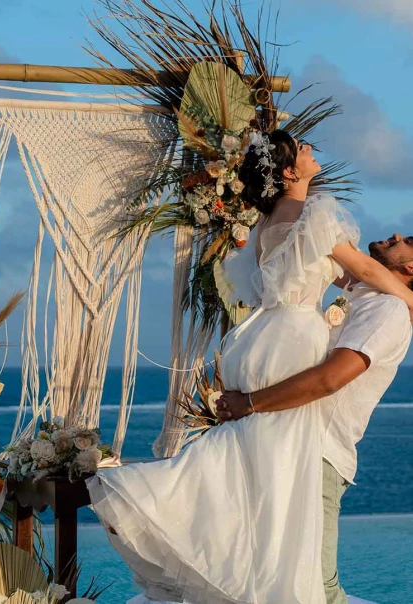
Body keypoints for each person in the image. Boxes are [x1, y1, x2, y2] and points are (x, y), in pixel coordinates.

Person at [87, 130, 413, 603]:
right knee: (277, 451)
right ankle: (267, 567)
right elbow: (360, 271)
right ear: (287, 173)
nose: (310, 152)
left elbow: (334, 273)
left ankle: (231, 544)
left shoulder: (265, 225)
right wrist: (408, 297)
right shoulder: (315, 214)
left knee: (254, 450)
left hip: (258, 335)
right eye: (302, 150)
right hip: (291, 335)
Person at [215, 232, 413, 603]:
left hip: (318, 455)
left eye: (410, 240)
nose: (397, 234)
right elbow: (323, 252)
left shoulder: (388, 311)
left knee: (317, 585)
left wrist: (250, 403)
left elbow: (330, 378)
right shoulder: (366, 295)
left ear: (410, 266)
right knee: (268, 574)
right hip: (290, 444)